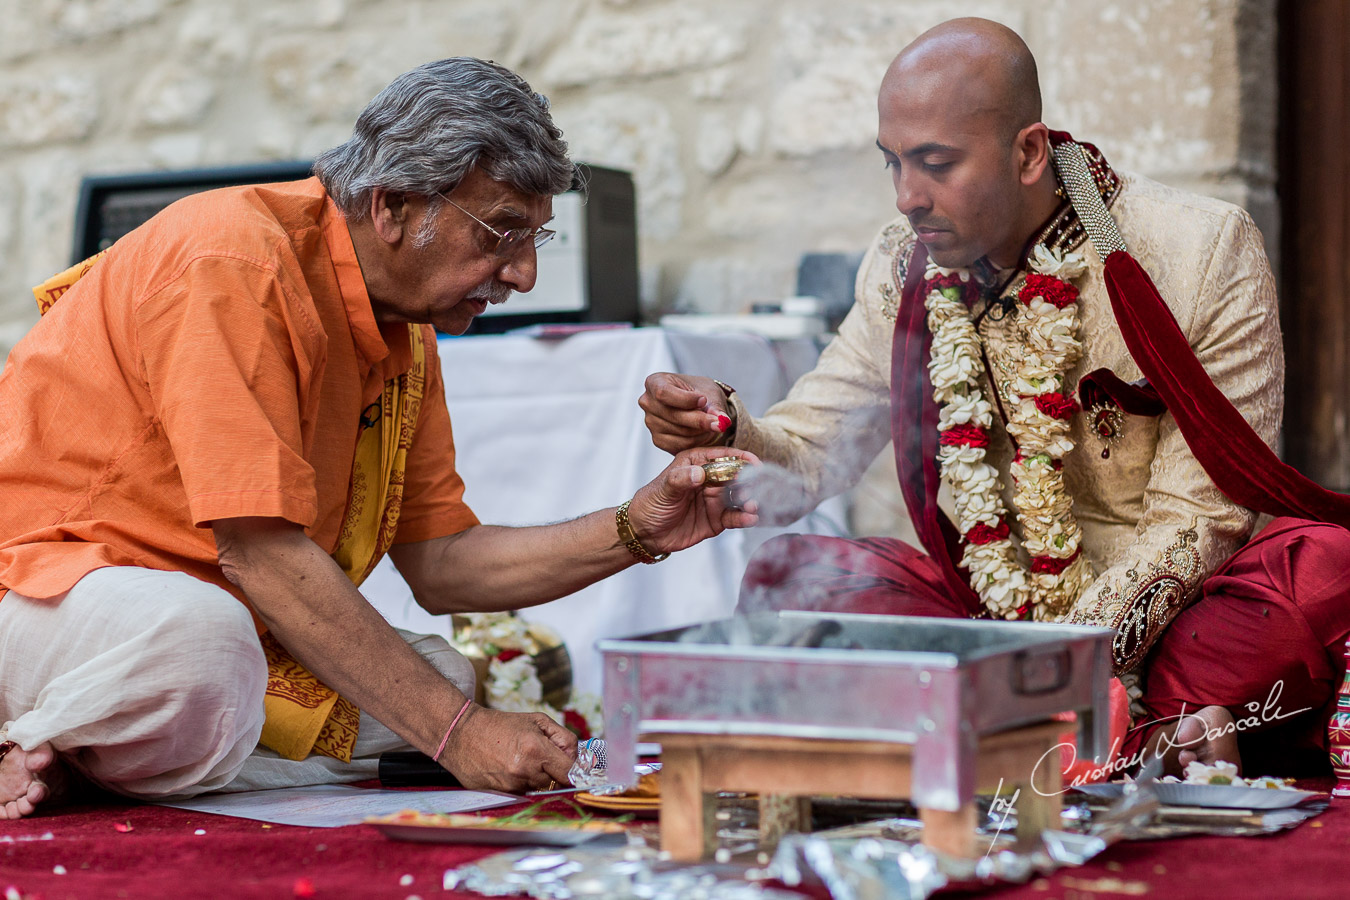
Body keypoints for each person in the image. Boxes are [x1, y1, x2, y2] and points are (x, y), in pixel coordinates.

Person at [0, 57, 758, 820]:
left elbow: (440, 563)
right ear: (392, 206)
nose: (523, 274)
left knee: (438, 679)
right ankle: (46, 742)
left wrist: (637, 526)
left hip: (223, 634)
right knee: (204, 647)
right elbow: (259, 551)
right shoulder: (232, 261)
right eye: (502, 232)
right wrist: (460, 738)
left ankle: (83, 760)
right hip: (48, 596)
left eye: (538, 239)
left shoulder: (404, 330)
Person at [640, 18, 1350, 777]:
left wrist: (1054, 663)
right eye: (894, 164)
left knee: (1320, 573)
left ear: (1028, 152)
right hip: (983, 614)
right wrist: (724, 426)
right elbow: (813, 446)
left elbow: (1202, 518)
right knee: (798, 583)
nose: (908, 197)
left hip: (1173, 623)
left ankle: (1000, 733)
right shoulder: (901, 265)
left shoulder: (1199, 249)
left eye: (936, 164)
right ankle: (1139, 745)